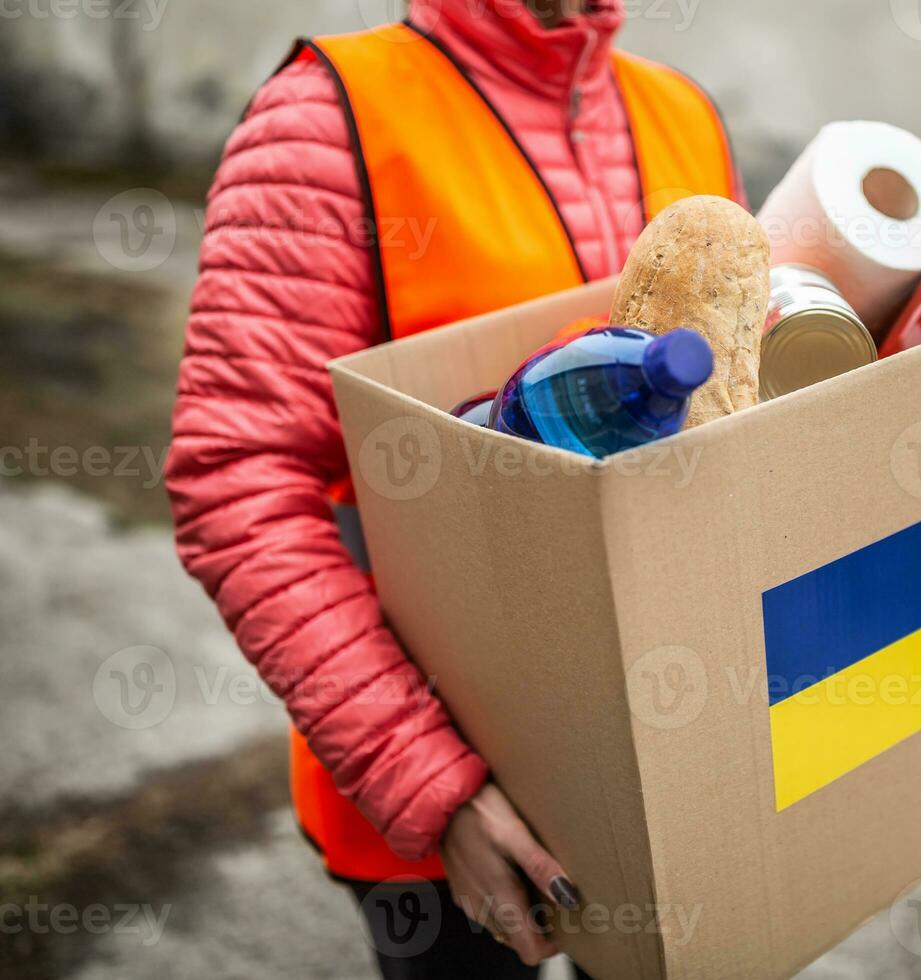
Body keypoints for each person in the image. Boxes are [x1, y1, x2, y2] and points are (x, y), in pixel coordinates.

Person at [163, 0, 744, 975]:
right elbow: (238, 479)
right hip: (441, 769)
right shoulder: (329, 117)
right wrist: (433, 783)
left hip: (660, 746)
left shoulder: (684, 112)